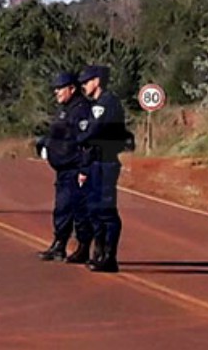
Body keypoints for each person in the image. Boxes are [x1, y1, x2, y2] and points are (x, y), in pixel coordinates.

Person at [77, 65, 130, 272]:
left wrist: (79, 138)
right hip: (94, 162)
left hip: (106, 161)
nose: (84, 86)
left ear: (97, 81)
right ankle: (99, 252)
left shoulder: (107, 103)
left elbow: (92, 132)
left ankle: (109, 256)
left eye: (86, 81)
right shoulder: (95, 104)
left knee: (106, 210)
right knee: (93, 210)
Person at [38, 72, 94, 263]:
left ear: (72, 88)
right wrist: (45, 144)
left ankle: (83, 248)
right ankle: (59, 245)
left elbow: (87, 141)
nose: (56, 92)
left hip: (76, 168)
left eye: (60, 88)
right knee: (62, 208)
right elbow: (58, 134)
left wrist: (84, 169)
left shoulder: (81, 110)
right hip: (63, 169)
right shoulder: (64, 110)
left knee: (79, 211)